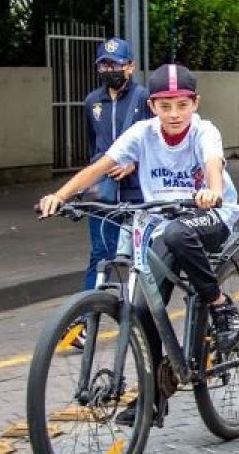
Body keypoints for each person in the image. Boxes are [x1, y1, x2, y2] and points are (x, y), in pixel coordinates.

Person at [37, 63, 239, 426]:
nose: (174, 114)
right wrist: (60, 195)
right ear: (153, 107)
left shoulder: (204, 132)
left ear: (195, 103)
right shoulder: (141, 133)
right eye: (165, 106)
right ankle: (153, 396)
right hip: (162, 224)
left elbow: (213, 164)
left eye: (182, 105)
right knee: (141, 307)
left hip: (211, 216)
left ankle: (219, 303)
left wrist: (211, 191)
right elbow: (100, 167)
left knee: (179, 234)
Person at [81, 38, 151, 292]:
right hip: (104, 191)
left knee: (143, 256)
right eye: (104, 66)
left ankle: (142, 310)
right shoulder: (92, 102)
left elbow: (155, 141)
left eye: (115, 65)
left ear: (130, 66)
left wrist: (134, 162)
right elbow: (94, 144)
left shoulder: (144, 98)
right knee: (100, 253)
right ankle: (87, 317)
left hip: (137, 190)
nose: (110, 71)